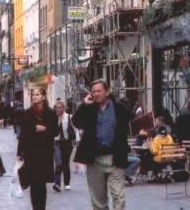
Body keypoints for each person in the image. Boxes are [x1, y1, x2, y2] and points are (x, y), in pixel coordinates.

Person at [72, 80, 133, 210]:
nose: (96, 94)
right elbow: (76, 122)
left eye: (99, 91)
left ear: (107, 91)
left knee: (118, 196)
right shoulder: (88, 109)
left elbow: (130, 121)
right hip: (94, 159)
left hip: (115, 158)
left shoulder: (119, 109)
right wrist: (83, 105)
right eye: (93, 92)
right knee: (98, 201)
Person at [17, 87, 57, 210]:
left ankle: (42, 207)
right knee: (34, 183)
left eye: (37, 94)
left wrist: (45, 129)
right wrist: (20, 152)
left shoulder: (50, 112)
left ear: (43, 97)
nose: (35, 97)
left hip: (45, 152)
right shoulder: (28, 113)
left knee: (42, 182)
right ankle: (36, 207)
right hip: (31, 152)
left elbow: (56, 131)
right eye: (33, 95)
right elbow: (22, 134)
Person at [53, 100, 77, 191]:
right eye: (57, 108)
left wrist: (76, 140)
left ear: (64, 108)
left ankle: (67, 182)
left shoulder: (69, 117)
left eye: (60, 108)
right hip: (56, 142)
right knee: (59, 163)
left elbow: (75, 129)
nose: (58, 110)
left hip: (67, 142)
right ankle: (57, 184)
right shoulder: (54, 118)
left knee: (65, 163)